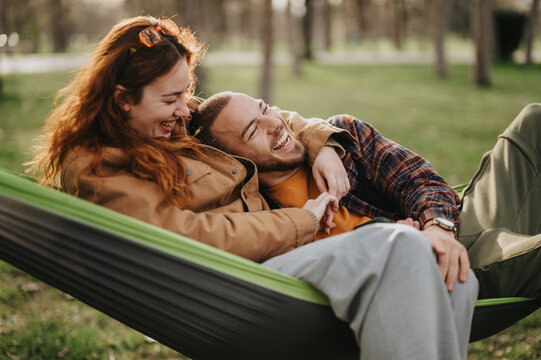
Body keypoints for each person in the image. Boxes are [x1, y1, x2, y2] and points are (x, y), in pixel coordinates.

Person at [30, 16, 478, 360]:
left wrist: (318, 143)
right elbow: (180, 236)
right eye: (171, 99)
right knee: (396, 245)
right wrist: (300, 221)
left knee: (445, 265)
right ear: (123, 99)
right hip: (234, 285)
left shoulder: (172, 122)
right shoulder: (97, 165)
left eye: (186, 93)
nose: (185, 109)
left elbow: (259, 116)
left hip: (277, 258)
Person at [189, 90, 541, 302]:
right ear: (238, 160)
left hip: (454, 226)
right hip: (449, 271)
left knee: (533, 120)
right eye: (253, 131)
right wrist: (405, 241)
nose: (274, 124)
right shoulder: (266, 218)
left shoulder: (344, 139)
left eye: (264, 108)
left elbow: (421, 182)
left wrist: (437, 228)